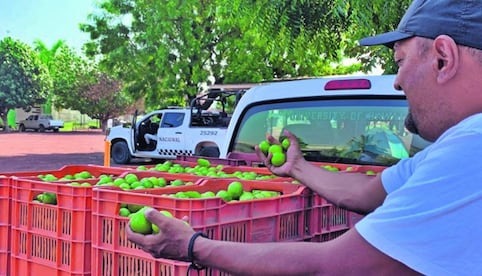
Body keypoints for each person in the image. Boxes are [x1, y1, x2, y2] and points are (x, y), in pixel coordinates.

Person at [126, 0, 482, 274]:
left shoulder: (473, 145)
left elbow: (333, 266)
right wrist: (297, 166)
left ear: (442, 59)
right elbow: (365, 193)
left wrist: (192, 246)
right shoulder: (457, 146)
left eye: (400, 60)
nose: (397, 81)